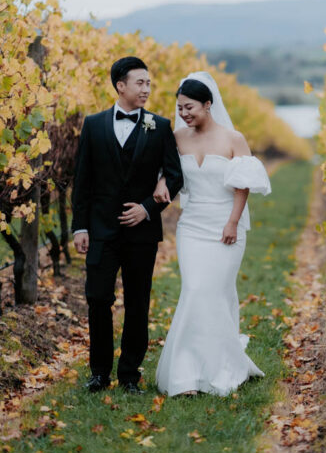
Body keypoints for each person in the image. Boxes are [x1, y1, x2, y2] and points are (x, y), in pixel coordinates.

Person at [152, 71, 271, 396]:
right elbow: (169, 173)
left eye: (189, 107)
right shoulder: (176, 138)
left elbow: (242, 185)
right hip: (191, 226)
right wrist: (162, 181)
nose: (184, 113)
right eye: (180, 108)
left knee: (215, 292)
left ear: (208, 104)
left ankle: (221, 367)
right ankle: (187, 373)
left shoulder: (233, 139)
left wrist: (232, 222)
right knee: (194, 289)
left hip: (225, 224)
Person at [71, 56, 184, 394]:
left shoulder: (159, 126)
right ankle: (99, 372)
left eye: (149, 83)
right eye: (140, 82)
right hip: (101, 230)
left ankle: (130, 374)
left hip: (141, 233)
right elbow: (82, 180)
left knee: (138, 302)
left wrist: (148, 208)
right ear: (120, 85)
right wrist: (80, 227)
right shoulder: (93, 125)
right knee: (98, 299)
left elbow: (175, 176)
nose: (146, 89)